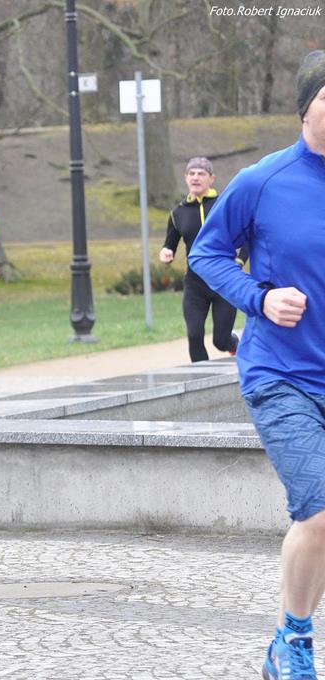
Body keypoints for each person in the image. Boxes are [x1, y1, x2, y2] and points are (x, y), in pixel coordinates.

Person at [188, 50, 325, 680]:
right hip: (282, 374)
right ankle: (292, 641)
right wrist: (260, 298)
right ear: (306, 107)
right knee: (319, 510)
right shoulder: (262, 181)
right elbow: (208, 255)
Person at [158, 157, 240, 362]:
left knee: (221, 341)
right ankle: (200, 378)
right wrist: (166, 252)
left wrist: (239, 262)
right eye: (191, 173)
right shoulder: (178, 213)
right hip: (195, 283)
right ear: (186, 178)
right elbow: (170, 244)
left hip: (223, 281)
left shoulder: (224, 205)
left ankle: (235, 344)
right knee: (194, 336)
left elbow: (249, 237)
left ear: (211, 179)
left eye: (201, 174)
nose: (196, 177)